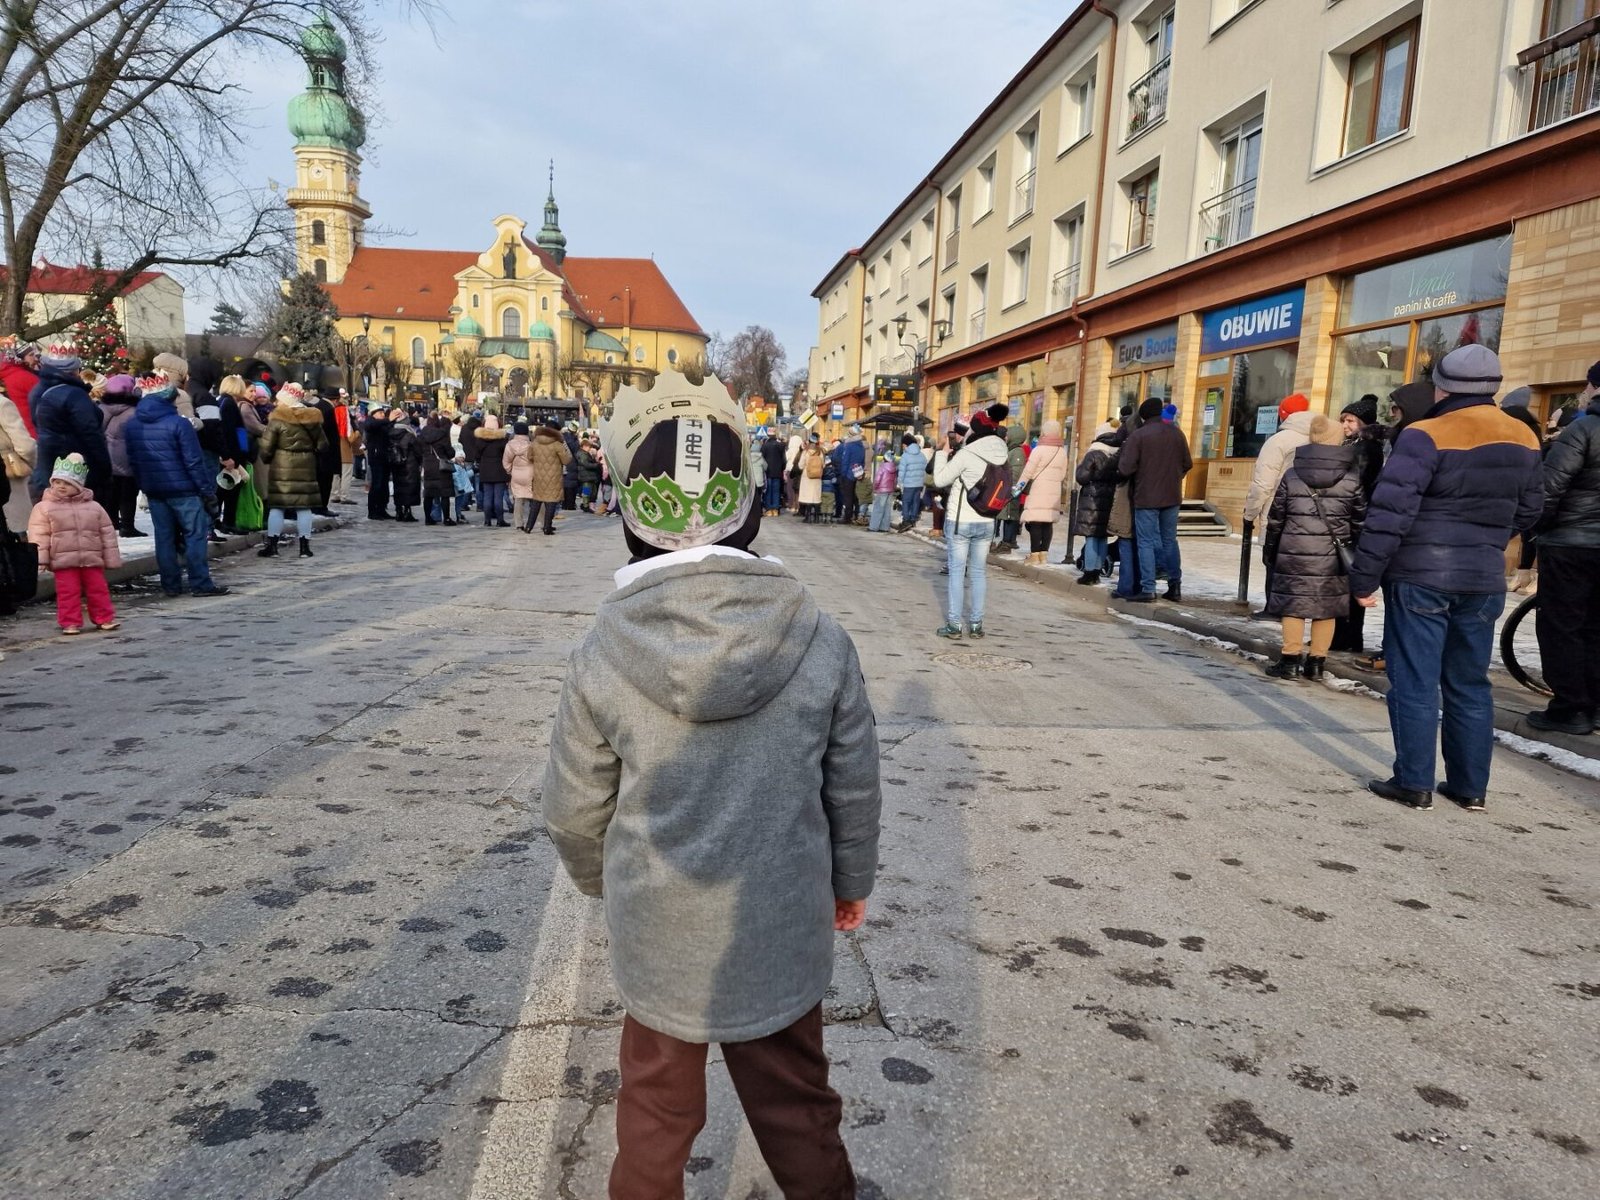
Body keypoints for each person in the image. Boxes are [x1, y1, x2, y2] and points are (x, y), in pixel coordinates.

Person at [542, 378, 880, 1200]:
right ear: (750, 501)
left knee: (655, 1115)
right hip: (780, 921)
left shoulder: (602, 651)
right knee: (798, 1105)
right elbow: (853, 786)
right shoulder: (820, 638)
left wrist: (602, 884)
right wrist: (849, 882)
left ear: (632, 512)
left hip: (660, 927)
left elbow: (575, 808)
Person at [1349, 345, 1543, 812]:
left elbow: (1390, 514)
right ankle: (1469, 787)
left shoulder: (1425, 433)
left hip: (1421, 574)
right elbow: (1532, 508)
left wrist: (1363, 577)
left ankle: (1413, 782)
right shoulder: (1522, 434)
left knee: (1415, 681)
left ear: (1442, 387)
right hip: (1483, 576)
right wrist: (1488, 539)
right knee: (1469, 683)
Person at [1260, 416, 1367, 682]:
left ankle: (1290, 661)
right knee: (1327, 608)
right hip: (1332, 554)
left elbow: (1276, 517)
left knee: (1294, 606)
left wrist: (1270, 550)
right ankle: (1317, 663)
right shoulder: (1351, 477)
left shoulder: (1292, 474)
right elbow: (1360, 521)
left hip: (1294, 550)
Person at [1526, 362, 1600, 735]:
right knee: (1596, 627)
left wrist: (1538, 529)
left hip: (1571, 544)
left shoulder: (1583, 430)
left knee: (1562, 626)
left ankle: (1570, 708)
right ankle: (1595, 706)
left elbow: (1549, 488)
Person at [124, 368, 229, 597]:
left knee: (164, 537)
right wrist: (206, 491)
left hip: (155, 489)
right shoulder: (179, 424)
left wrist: (145, 485)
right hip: (185, 490)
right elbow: (194, 461)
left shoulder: (132, 425)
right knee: (195, 535)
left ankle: (170, 585)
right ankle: (200, 583)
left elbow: (134, 461)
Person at [933, 404, 1010, 638]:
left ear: (975, 430)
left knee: (957, 573)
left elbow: (940, 480)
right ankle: (976, 624)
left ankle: (954, 625)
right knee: (978, 573)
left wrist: (942, 453)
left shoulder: (967, 454)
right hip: (987, 520)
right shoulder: (1003, 453)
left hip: (961, 521)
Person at [28, 453, 121, 634]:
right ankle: (70, 622)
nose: (61, 486)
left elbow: (107, 534)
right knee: (68, 592)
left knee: (98, 590)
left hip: (91, 558)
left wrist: (111, 558)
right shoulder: (44, 508)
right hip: (63, 560)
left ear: (79, 485)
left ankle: (104, 618)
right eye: (57, 482)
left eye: (68, 483)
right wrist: (41, 559)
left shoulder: (94, 507)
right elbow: (39, 535)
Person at [1242, 395, 1316, 618]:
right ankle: (1296, 609)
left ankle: (1274, 609)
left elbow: (1263, 484)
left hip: (1279, 508)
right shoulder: (1320, 437)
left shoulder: (1278, 441)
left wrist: (1250, 513)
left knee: (1273, 559)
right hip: (1312, 512)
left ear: (1283, 415)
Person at [1117, 396, 1193, 603]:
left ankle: (1148, 588)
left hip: (1146, 497)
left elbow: (1125, 468)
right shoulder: (1177, 434)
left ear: (1143, 416)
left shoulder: (1139, 436)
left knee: (1146, 542)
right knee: (1169, 541)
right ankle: (1174, 586)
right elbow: (1187, 463)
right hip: (1172, 496)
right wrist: (1174, 477)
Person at [1328, 395, 1385, 654]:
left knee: (1348, 580)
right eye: (1343, 420)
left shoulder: (1365, 448)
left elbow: (1356, 485)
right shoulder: (1355, 445)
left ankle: (1346, 637)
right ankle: (1344, 636)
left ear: (1363, 423)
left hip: (1354, 520)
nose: (1345, 425)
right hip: (1354, 518)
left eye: (1350, 420)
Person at [27, 341, 113, 514]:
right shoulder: (75, 395)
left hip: (47, 461)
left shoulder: (37, 390)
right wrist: (104, 467)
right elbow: (90, 432)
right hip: (76, 466)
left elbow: (37, 422)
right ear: (74, 369)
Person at [256, 382, 328, 559]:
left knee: (277, 507)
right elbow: (323, 445)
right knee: (304, 508)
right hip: (306, 467)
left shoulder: (277, 419)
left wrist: (267, 459)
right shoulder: (312, 418)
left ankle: (272, 546)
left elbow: (266, 447)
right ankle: (304, 548)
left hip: (281, 468)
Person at [1016, 419, 1070, 566]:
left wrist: (1018, 487)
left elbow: (1028, 472)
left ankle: (1034, 556)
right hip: (1054, 490)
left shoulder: (1038, 450)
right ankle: (1043, 555)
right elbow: (1062, 474)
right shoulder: (1061, 451)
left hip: (1038, 489)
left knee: (1035, 522)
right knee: (1047, 523)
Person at [96, 374, 144, 537]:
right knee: (129, 493)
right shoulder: (134, 411)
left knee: (112, 491)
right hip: (127, 456)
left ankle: (112, 522)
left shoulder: (101, 408)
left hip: (107, 455)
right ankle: (128, 526)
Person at [1073, 424, 1120, 584]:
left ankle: (1089, 572)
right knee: (1102, 537)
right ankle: (1098, 571)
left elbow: (1081, 476)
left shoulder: (1094, 453)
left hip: (1092, 500)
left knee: (1092, 536)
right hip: (1109, 499)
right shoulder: (1117, 454)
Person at [0, 379, 37, 535]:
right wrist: (30, 464)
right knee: (18, 530)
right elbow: (25, 446)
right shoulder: (2, 404)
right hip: (9, 473)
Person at [993, 422, 1028, 554]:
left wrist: (1010, 487)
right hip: (1007, 489)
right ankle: (1006, 541)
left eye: (1008, 435)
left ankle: (1007, 542)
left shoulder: (1017, 452)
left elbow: (1016, 473)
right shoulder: (1012, 450)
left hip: (1011, 490)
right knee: (1007, 515)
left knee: (1010, 516)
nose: (1006, 437)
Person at [474, 413, 511, 527]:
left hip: (485, 470)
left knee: (487, 496)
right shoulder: (502, 440)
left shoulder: (480, 440)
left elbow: (477, 456)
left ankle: (487, 520)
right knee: (498, 497)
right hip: (499, 471)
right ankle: (500, 520)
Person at [421, 413, 457, 526]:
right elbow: (450, 452)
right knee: (444, 494)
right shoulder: (442, 435)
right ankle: (446, 518)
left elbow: (419, 449)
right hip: (441, 467)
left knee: (429, 494)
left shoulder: (422, 434)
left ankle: (428, 518)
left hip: (428, 466)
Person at [389, 408, 424, 523]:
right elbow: (418, 451)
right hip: (410, 465)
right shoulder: (409, 435)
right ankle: (407, 511)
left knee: (398, 487)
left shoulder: (390, 433)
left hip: (396, 464)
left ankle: (398, 511)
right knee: (409, 488)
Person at [0, 338, 41, 435]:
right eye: (31, 355)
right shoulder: (26, 377)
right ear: (19, 358)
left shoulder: (6, 376)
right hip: (37, 431)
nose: (35, 358)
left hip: (21, 433)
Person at [362, 405, 393, 520]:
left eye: (383, 413)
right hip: (376, 457)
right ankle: (372, 510)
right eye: (380, 413)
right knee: (376, 484)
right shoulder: (370, 421)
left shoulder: (383, 424)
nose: (383, 415)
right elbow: (371, 426)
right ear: (373, 414)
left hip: (384, 457)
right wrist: (388, 420)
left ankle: (381, 509)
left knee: (384, 485)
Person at [504, 419, 536, 530]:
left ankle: (519, 523)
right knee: (536, 499)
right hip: (531, 473)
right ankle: (542, 522)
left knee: (518, 498)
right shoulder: (531, 445)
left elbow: (506, 461)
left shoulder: (510, 445)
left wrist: (510, 471)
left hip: (516, 474)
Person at [835, 424, 866, 525]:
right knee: (855, 496)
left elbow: (845, 461)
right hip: (858, 473)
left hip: (848, 474)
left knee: (847, 496)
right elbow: (862, 461)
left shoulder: (849, 446)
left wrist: (843, 474)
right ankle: (856, 514)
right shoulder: (861, 446)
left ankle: (847, 517)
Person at [894, 433, 927, 531]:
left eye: (903, 445)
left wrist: (899, 483)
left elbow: (902, 471)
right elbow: (924, 470)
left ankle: (906, 521)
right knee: (915, 502)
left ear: (906, 444)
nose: (903, 447)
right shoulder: (922, 455)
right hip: (919, 484)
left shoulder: (905, 456)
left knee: (906, 502)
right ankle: (913, 520)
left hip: (908, 484)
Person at [797, 433, 825, 523]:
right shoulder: (820, 452)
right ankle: (816, 518)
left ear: (809, 441)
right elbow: (823, 465)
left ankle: (808, 517)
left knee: (808, 497)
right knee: (816, 497)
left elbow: (800, 465)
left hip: (807, 476)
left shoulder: (806, 452)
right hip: (817, 476)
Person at [868, 449, 897, 532]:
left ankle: (873, 527)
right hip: (890, 490)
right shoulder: (894, 468)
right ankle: (884, 527)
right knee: (887, 509)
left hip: (881, 490)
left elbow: (877, 479)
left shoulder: (882, 467)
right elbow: (895, 480)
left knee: (878, 508)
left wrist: (875, 488)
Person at [760, 432, 786, 515]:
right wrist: (782, 468)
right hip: (777, 472)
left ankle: (769, 509)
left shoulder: (764, 446)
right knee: (776, 491)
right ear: (775, 436)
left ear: (768, 436)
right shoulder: (780, 446)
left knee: (768, 491)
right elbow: (784, 460)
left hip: (768, 472)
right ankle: (775, 509)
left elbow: (762, 459)